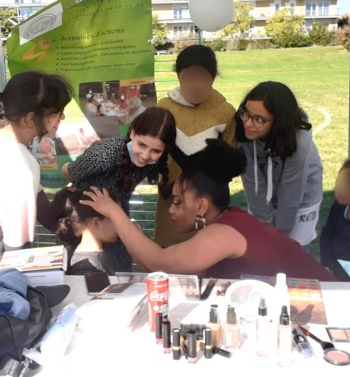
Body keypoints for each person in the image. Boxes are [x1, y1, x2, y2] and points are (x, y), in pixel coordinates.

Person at [80, 139, 336, 281]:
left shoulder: (224, 233)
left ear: (202, 205)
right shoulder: (228, 221)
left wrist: (115, 213)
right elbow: (185, 270)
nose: (172, 209)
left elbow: (160, 263)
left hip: (331, 302)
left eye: (179, 202)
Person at [0, 71, 74, 271]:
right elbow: (18, 250)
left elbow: (37, 197)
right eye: (57, 113)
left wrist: (64, 229)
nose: (62, 117)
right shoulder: (20, 169)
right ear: (30, 118)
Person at [61, 106, 176, 271]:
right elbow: (69, 171)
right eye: (142, 145)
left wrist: (123, 222)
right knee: (81, 274)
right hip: (84, 223)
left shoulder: (150, 163)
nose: (145, 155)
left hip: (115, 220)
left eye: (156, 151)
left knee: (119, 274)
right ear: (133, 133)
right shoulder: (104, 154)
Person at [154, 44, 237, 248]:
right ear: (178, 77)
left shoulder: (225, 112)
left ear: (213, 78)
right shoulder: (164, 108)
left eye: (202, 78)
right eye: (189, 78)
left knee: (205, 257)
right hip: (170, 205)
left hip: (207, 205)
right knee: (168, 259)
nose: (195, 85)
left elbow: (228, 163)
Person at [236, 81, 323, 251]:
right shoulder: (243, 131)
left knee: (292, 251)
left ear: (279, 121)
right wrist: (267, 227)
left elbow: (291, 191)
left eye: (259, 119)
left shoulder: (299, 142)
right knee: (264, 245)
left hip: (301, 196)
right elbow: (253, 185)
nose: (247, 123)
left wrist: (280, 232)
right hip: (266, 192)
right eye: (246, 113)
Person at [51, 186, 121, 275]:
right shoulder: (85, 267)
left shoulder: (104, 250)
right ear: (96, 223)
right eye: (115, 218)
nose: (120, 224)